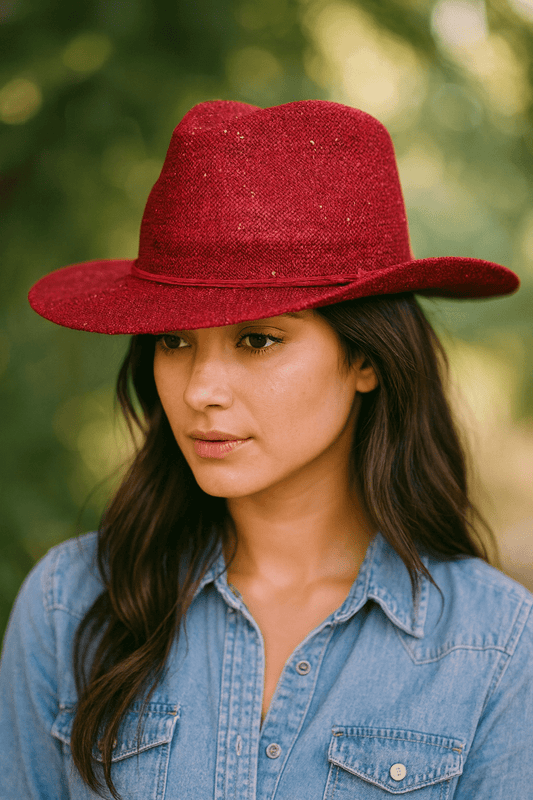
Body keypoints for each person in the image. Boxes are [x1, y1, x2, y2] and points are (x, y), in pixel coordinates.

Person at [0, 99, 531, 800]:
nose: (200, 390)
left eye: (257, 340)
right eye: (174, 341)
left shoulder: (493, 644)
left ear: (365, 360)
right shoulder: (72, 605)